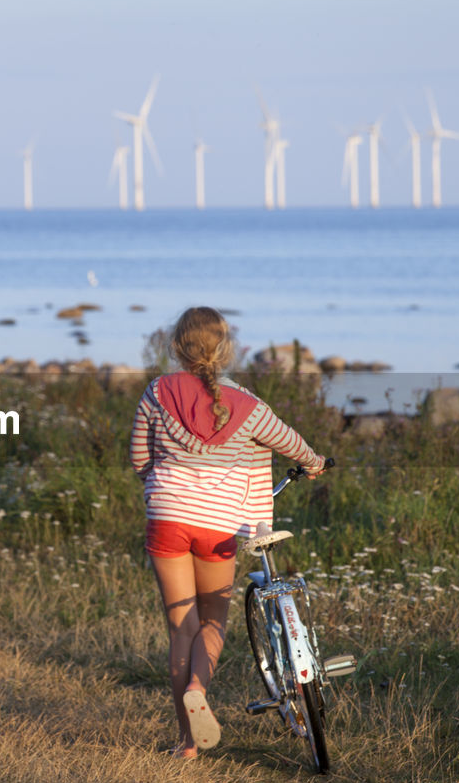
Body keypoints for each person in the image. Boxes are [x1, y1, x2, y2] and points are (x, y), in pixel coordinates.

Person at [129, 307, 328, 759]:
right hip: (217, 526)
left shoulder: (157, 392)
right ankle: (199, 686)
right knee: (212, 622)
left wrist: (164, 486)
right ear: (225, 349)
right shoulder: (250, 406)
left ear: (177, 347)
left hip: (167, 517)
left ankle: (186, 744)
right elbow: (294, 445)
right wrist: (314, 464)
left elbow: (140, 458)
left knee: (182, 629)